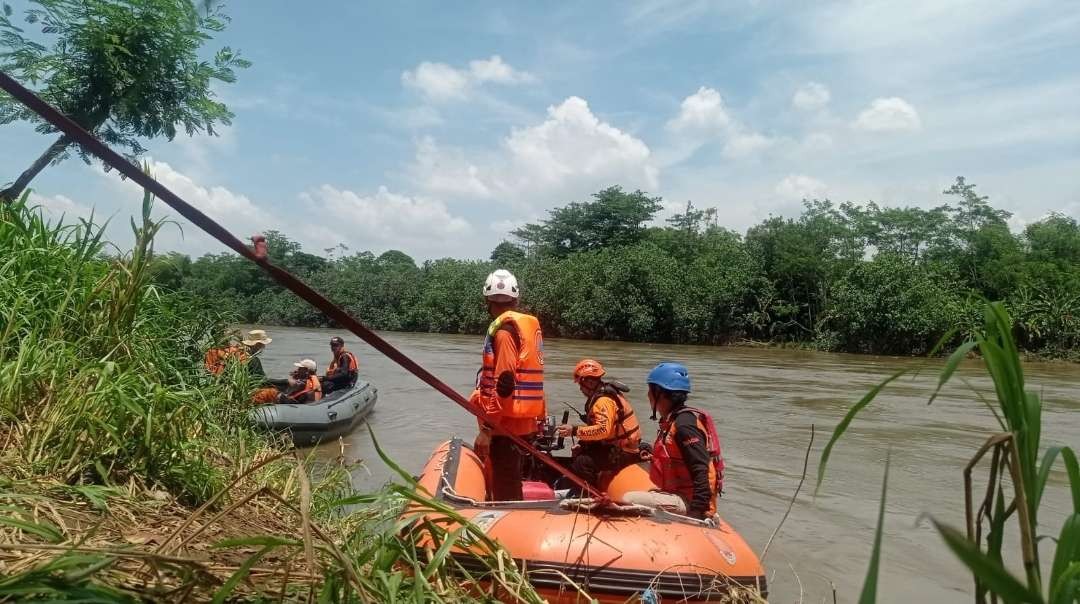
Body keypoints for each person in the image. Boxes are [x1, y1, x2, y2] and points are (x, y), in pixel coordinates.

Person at [470, 268, 546, 501]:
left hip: (505, 427)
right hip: (524, 424)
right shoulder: (524, 329)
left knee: (507, 488)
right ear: (516, 299)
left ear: (487, 300)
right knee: (511, 480)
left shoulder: (504, 333)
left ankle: (508, 530)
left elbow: (504, 385)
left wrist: (487, 430)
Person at [622, 362, 724, 521]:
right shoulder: (674, 420)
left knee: (628, 499)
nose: (648, 395)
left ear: (659, 393)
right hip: (678, 493)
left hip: (690, 501)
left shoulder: (684, 425)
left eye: (650, 390)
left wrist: (696, 513)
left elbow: (701, 470)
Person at [556, 359, 641, 491]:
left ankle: (591, 496)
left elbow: (602, 430)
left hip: (624, 452)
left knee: (581, 463)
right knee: (582, 449)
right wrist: (583, 442)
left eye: (581, 385)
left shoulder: (603, 401)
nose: (580, 389)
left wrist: (573, 430)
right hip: (619, 447)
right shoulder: (605, 394)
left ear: (589, 382)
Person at [204, 329, 271, 378]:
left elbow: (208, 372)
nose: (264, 347)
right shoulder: (252, 359)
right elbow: (261, 380)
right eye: (263, 344)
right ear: (258, 344)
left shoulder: (210, 352)